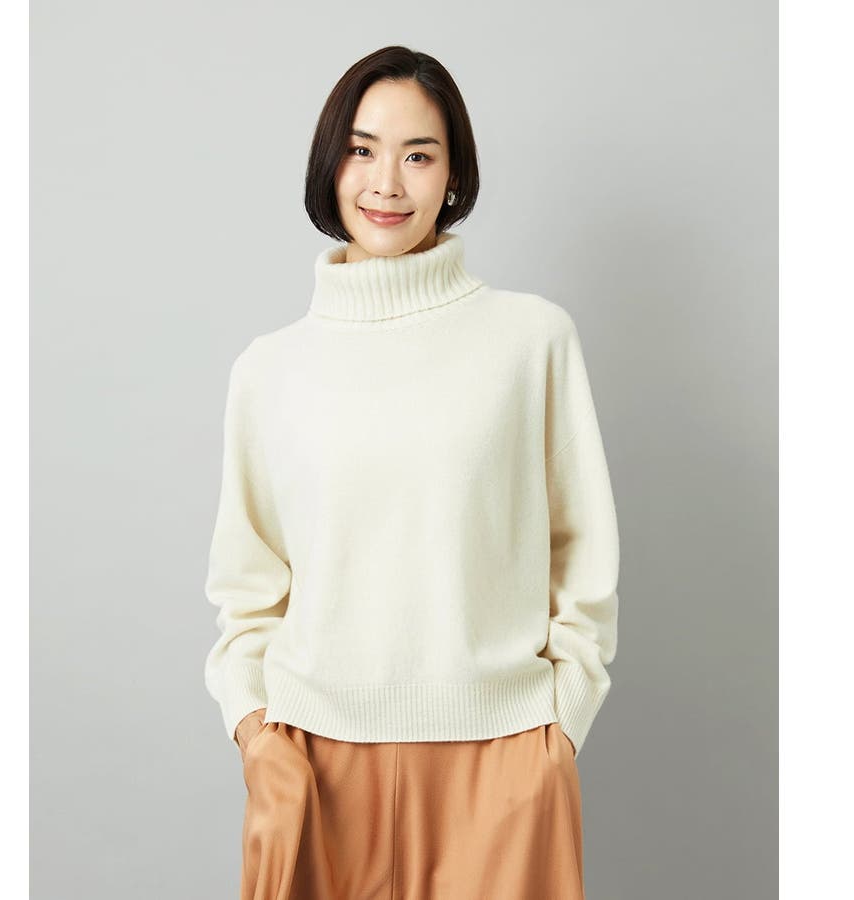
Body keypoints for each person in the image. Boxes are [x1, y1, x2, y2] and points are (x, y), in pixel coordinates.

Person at [204, 45, 620, 900]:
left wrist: (559, 728)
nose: (386, 183)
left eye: (418, 155)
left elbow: (582, 550)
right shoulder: (269, 371)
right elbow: (246, 589)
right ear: (331, 163)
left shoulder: (531, 341)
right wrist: (255, 734)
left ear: (454, 175)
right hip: (311, 765)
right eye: (362, 150)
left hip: (501, 761)